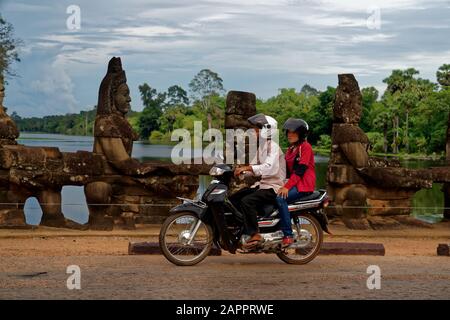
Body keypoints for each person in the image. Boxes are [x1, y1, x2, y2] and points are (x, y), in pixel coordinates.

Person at [233, 113, 286, 249]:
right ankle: (241, 230)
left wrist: (248, 167)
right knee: (235, 198)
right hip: (262, 185)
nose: (254, 132)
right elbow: (253, 170)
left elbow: (268, 168)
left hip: (273, 187)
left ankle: (255, 233)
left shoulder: (273, 147)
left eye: (257, 129)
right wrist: (241, 173)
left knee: (247, 201)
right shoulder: (262, 147)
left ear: (266, 130)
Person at [276, 118, 316, 247]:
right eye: (288, 132)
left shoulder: (305, 147)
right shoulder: (291, 149)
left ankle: (287, 234)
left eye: (293, 132)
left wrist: (287, 187)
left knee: (280, 199)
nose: (289, 134)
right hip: (294, 183)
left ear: (301, 134)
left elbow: (300, 170)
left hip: (304, 185)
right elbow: (286, 170)